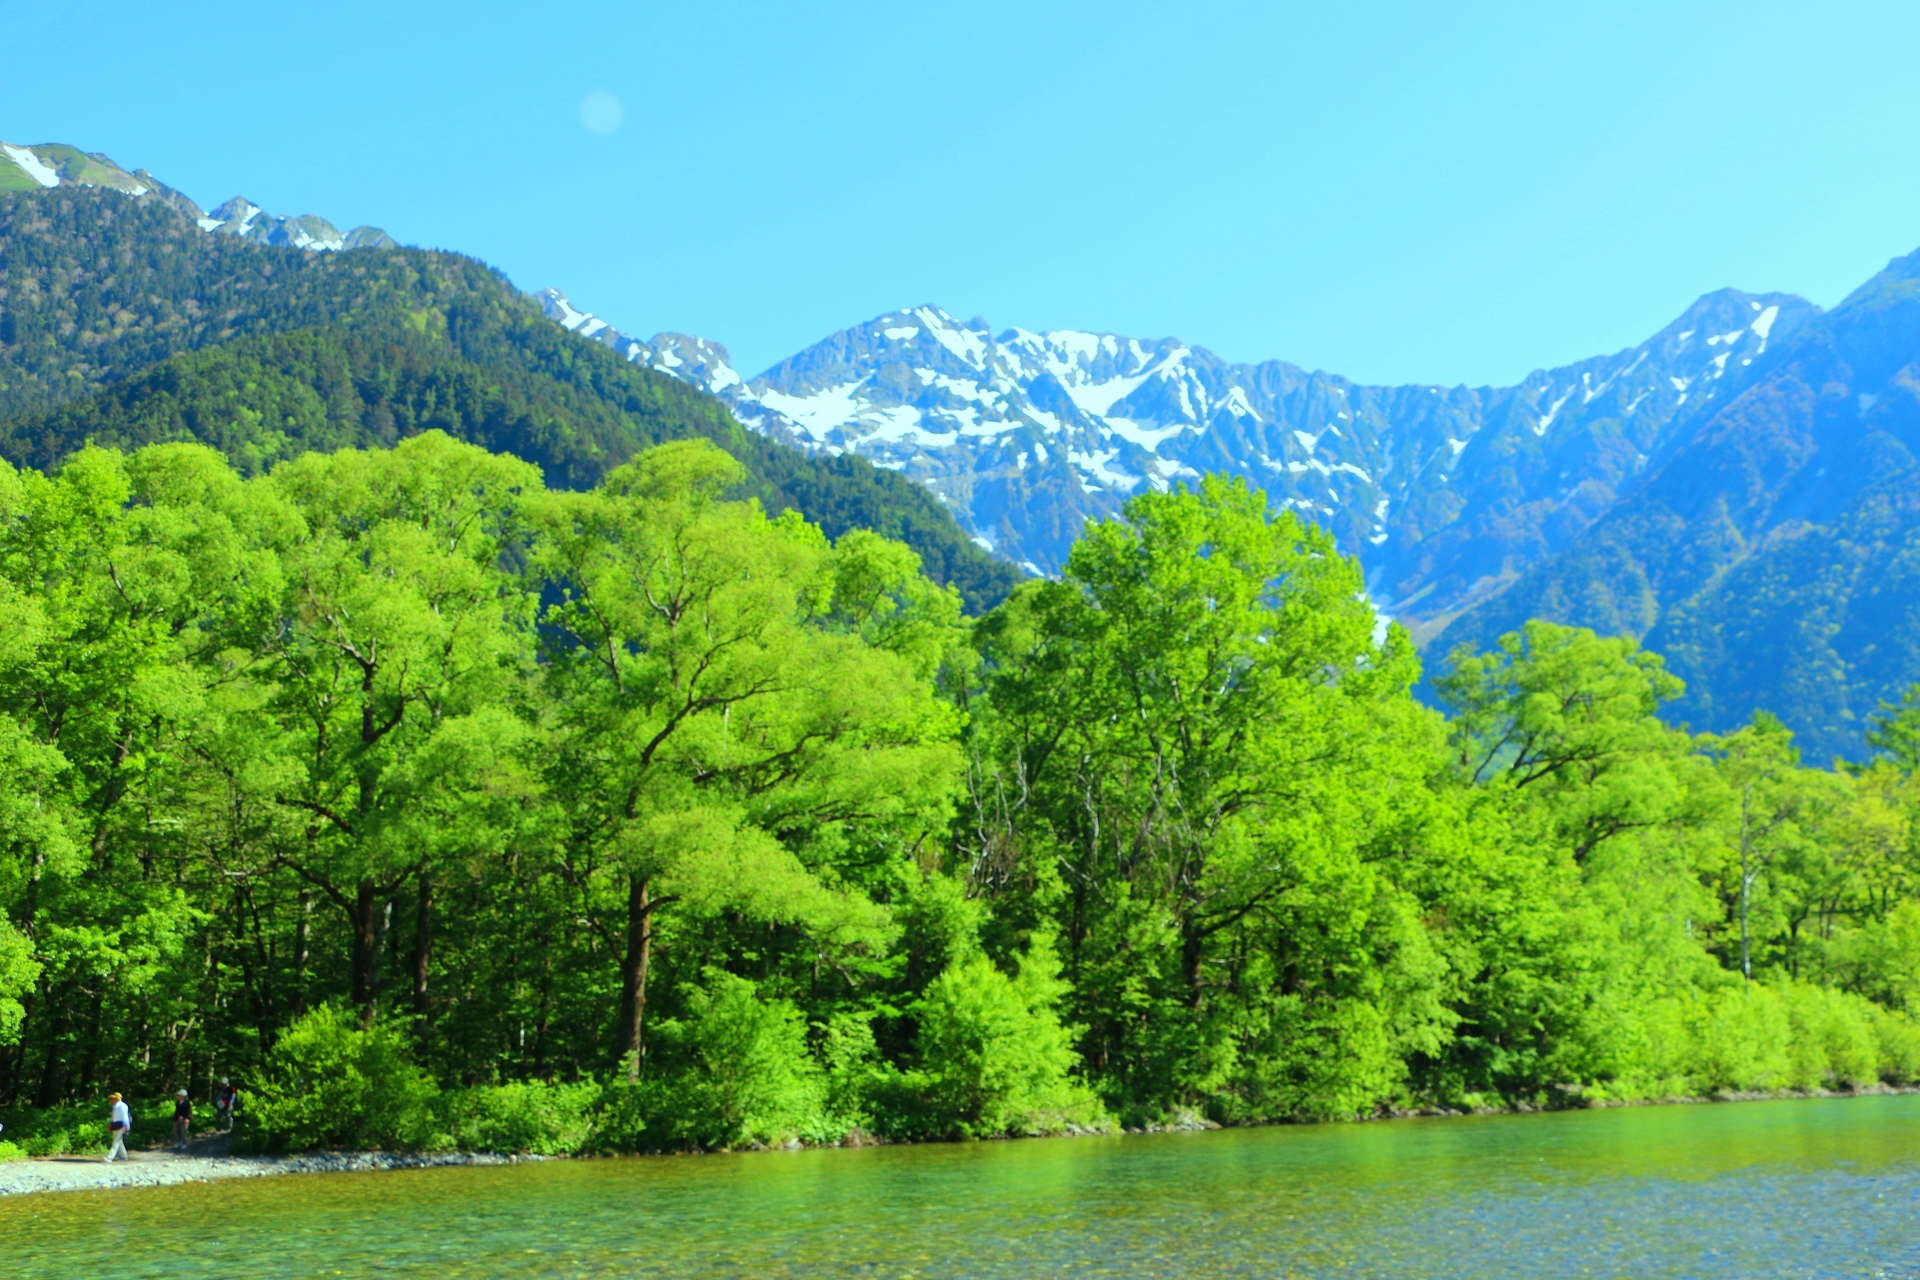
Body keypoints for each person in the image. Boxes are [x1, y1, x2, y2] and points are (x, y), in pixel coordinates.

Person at [104, 1092, 131, 1163]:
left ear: (116, 1099)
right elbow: (113, 1117)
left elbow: (125, 1116)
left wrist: (127, 1125)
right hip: (115, 1125)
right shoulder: (115, 1106)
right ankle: (124, 1156)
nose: (111, 1100)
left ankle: (109, 1157)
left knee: (116, 1141)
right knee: (119, 1141)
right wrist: (111, 1124)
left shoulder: (123, 1106)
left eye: (112, 1098)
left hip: (121, 1125)